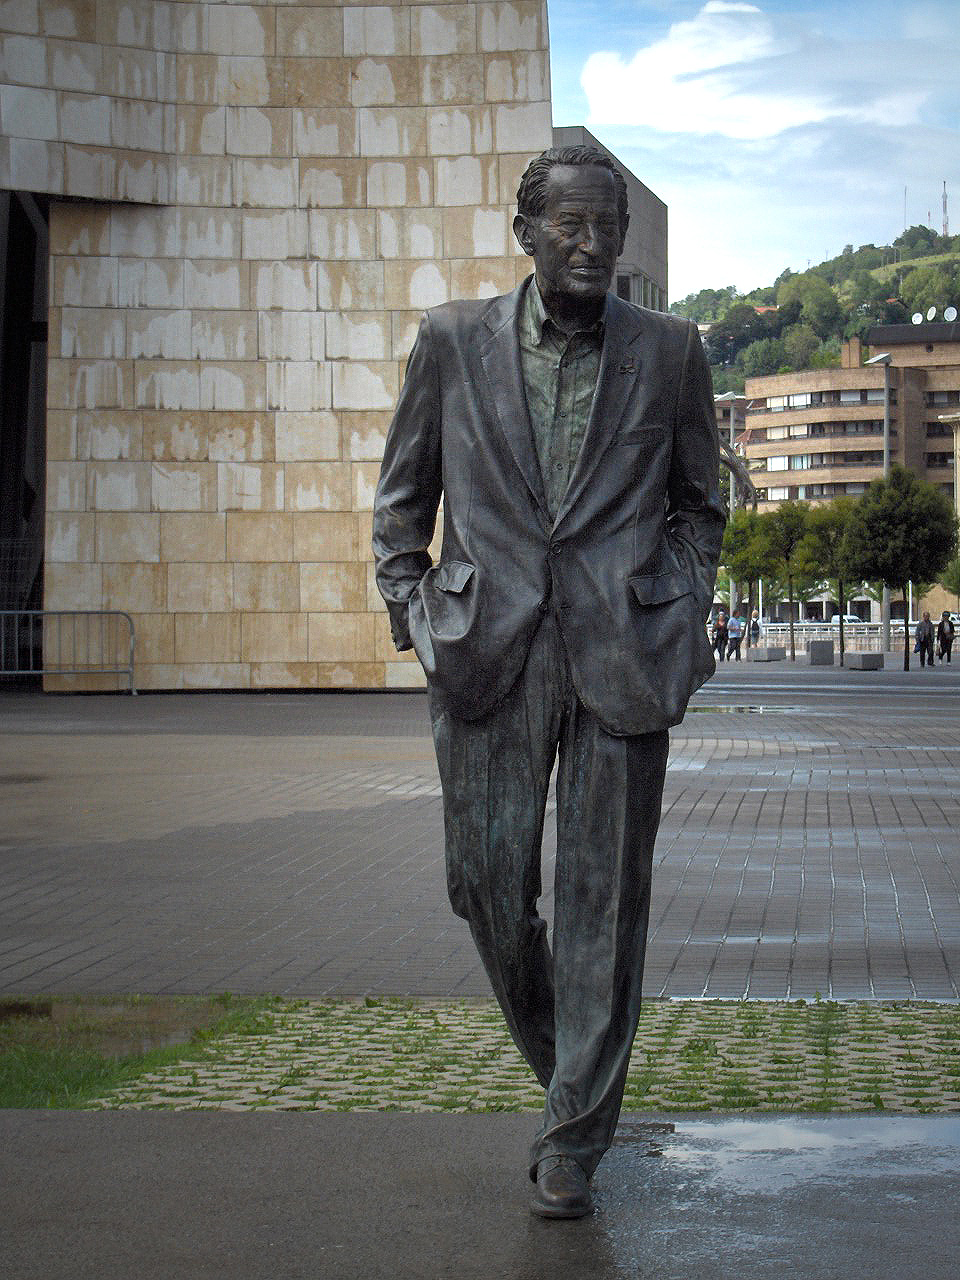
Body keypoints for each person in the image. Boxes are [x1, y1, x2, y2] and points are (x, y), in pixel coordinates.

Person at [373, 144, 725, 1219]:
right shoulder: (452, 342)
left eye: (606, 229)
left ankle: (571, 1132)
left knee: (602, 905)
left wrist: (677, 604)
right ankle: (574, 1072)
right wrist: (416, 608)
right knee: (483, 883)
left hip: (622, 647)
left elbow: (699, 501)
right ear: (525, 231)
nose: (591, 245)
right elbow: (403, 498)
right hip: (490, 648)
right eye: (570, 226)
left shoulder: (670, 352)